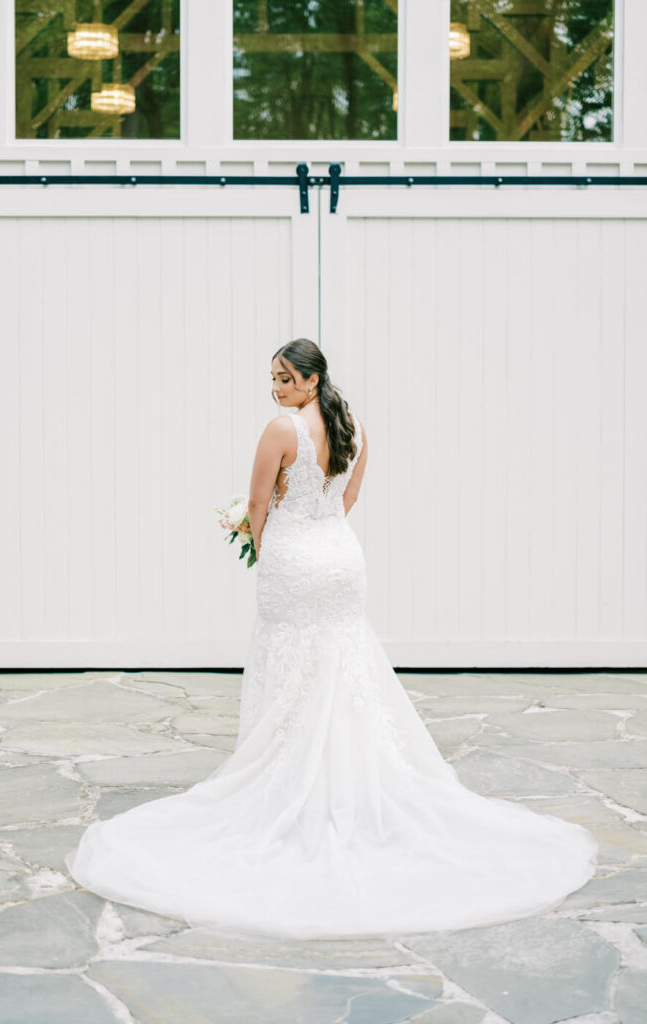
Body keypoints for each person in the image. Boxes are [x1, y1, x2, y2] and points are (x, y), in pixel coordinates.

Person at [64, 338, 598, 938]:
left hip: (294, 560)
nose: (277, 389)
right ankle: (347, 774)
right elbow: (346, 499)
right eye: (273, 379)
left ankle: (291, 776)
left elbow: (260, 502)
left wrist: (264, 550)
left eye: (287, 379)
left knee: (291, 661)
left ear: (313, 381)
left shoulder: (280, 430)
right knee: (342, 663)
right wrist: (319, 535)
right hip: (343, 557)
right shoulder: (355, 427)